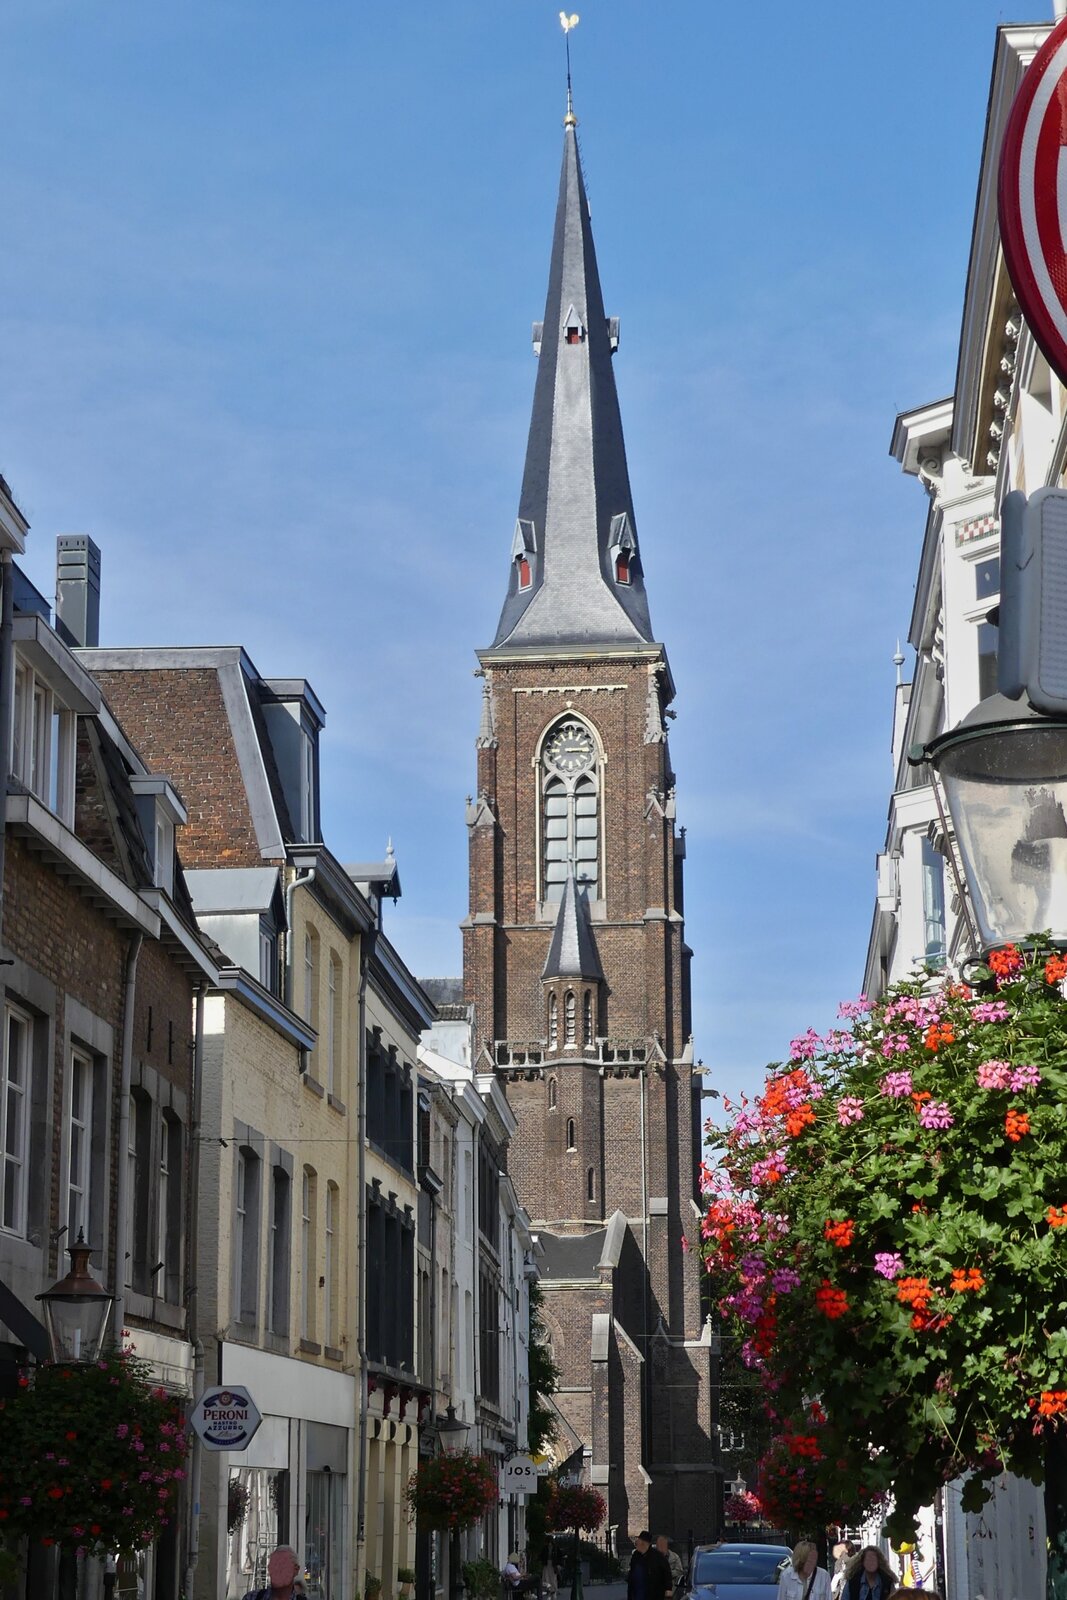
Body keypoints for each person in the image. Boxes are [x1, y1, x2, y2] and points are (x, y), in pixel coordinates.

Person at [627, 1531, 674, 1600]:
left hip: (653, 1593)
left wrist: (668, 1590)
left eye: (638, 1542)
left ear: (644, 1543)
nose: (636, 1544)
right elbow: (632, 1573)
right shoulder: (635, 1556)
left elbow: (667, 1574)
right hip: (637, 1593)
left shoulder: (657, 1557)